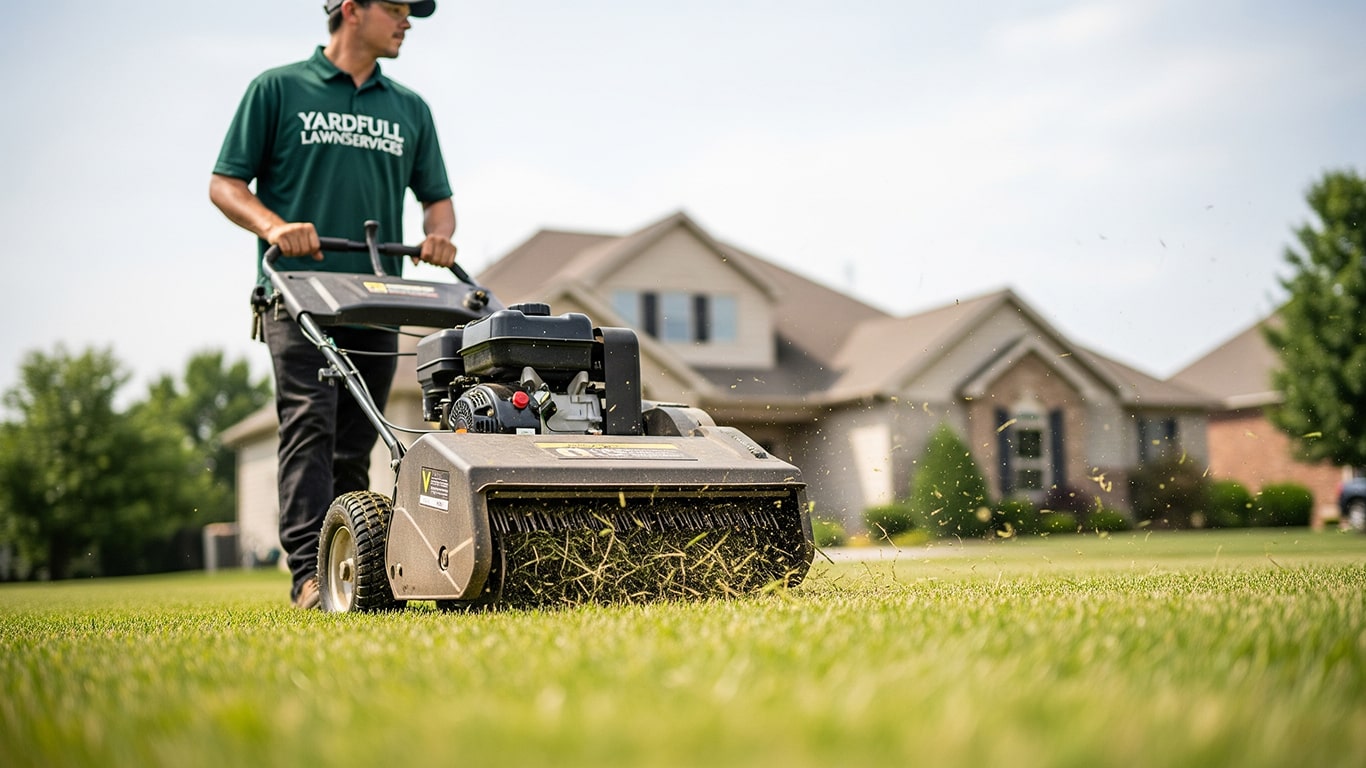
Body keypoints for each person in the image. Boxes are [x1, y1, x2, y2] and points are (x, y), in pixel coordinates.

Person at [209, 0, 457, 609]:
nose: (408, 22)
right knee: (309, 426)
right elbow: (225, 183)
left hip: (376, 297)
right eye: (397, 9)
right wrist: (274, 226)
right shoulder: (277, 89)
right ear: (351, 10)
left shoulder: (409, 108)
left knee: (356, 440)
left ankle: (353, 562)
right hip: (297, 293)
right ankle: (307, 577)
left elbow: (438, 200)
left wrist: (438, 236)